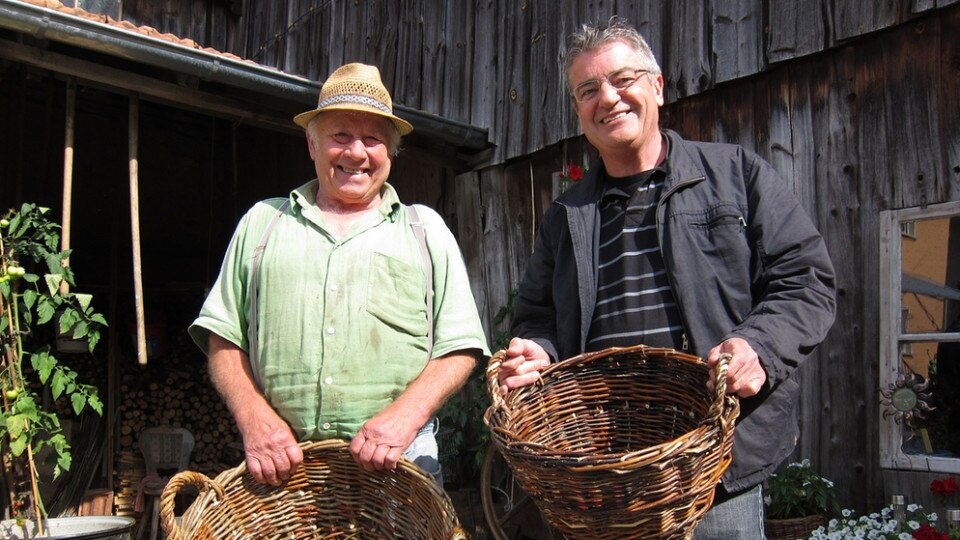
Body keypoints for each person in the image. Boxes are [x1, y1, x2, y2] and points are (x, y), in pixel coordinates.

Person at [496, 17, 837, 539]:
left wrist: (759, 348)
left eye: (622, 79)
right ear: (578, 113)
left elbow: (805, 279)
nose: (607, 98)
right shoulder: (566, 215)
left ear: (657, 85)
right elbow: (538, 316)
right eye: (588, 90)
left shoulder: (733, 175)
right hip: (605, 477)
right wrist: (538, 350)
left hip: (715, 465)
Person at [189, 62, 490, 487]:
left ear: (391, 151)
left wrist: (403, 418)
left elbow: (460, 347)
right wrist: (255, 419)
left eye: (372, 139)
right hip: (284, 466)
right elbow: (223, 336)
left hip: (400, 459)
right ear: (311, 144)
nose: (356, 153)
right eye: (340, 136)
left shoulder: (423, 230)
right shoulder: (264, 222)